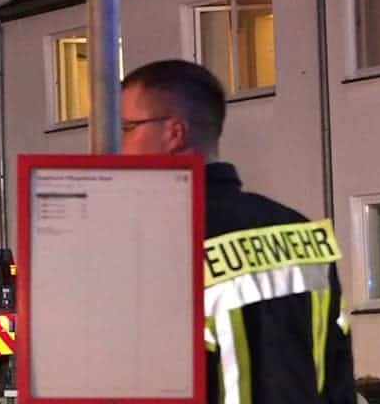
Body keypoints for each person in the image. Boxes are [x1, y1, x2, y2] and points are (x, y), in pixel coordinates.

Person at [120, 60, 354, 404]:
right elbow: (337, 373)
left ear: (174, 133)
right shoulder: (302, 231)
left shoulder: (163, 240)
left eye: (127, 127)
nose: (119, 145)